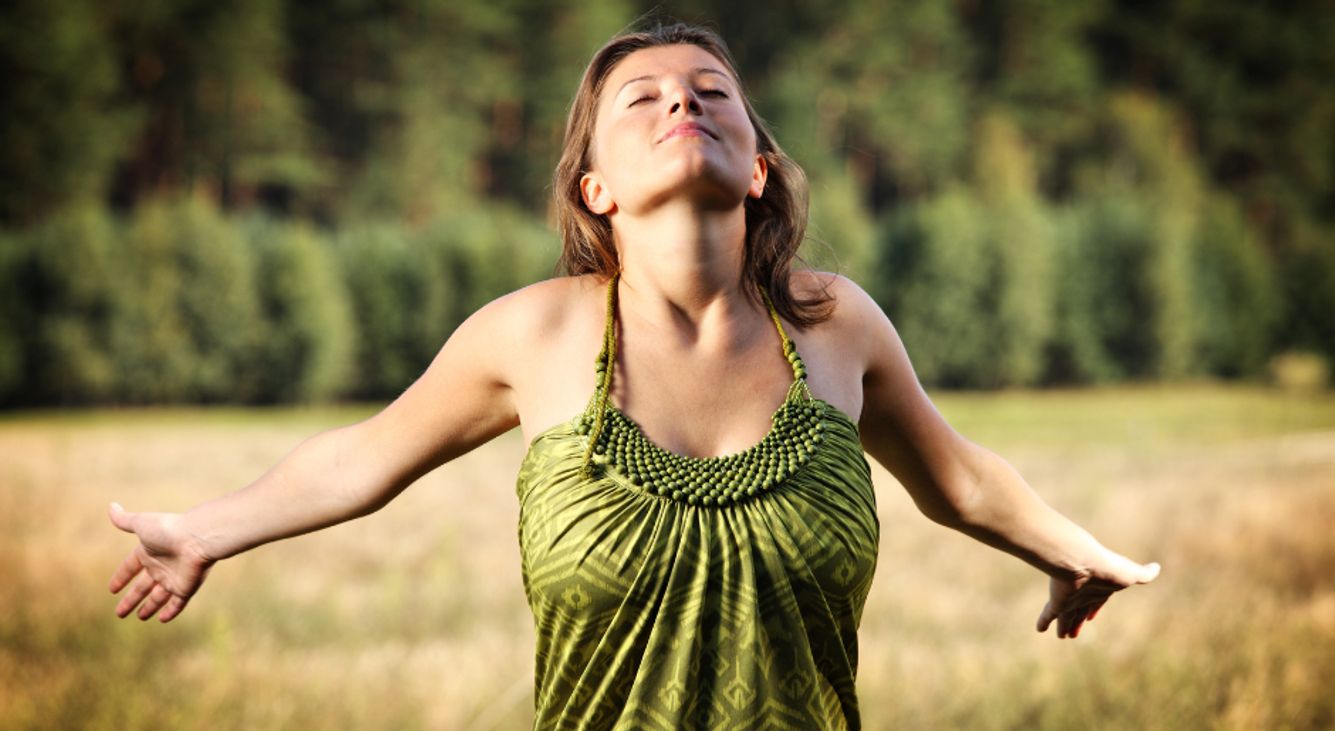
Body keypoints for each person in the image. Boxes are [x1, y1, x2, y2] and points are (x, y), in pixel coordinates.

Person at [108, 21, 1160, 730]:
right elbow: (363, 458)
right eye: (641, 99)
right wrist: (207, 528)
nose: (681, 104)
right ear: (596, 185)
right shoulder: (534, 335)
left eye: (712, 92)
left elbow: (957, 475)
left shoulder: (835, 325)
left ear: (756, 166)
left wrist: (1075, 551)